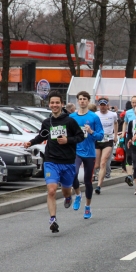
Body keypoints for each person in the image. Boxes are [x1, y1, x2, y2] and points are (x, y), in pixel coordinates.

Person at [24, 90, 85, 233]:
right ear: (49, 104)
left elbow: (80, 136)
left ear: (62, 104)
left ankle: (68, 197)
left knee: (65, 191)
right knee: (51, 190)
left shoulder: (70, 121)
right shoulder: (47, 122)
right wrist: (31, 142)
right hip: (51, 160)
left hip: (68, 162)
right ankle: (53, 219)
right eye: (52, 103)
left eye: (57, 102)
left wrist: (67, 140)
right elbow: (42, 136)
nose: (55, 105)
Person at [70, 91, 104, 218]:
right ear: (77, 101)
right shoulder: (72, 117)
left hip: (89, 152)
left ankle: (88, 207)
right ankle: (78, 194)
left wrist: (91, 132)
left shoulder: (94, 117)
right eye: (80, 99)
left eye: (85, 99)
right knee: (73, 173)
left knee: (88, 181)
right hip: (76, 151)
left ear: (88, 101)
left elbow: (100, 136)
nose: (82, 101)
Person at [94, 97, 118, 194]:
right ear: (99, 105)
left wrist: (115, 135)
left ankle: (99, 185)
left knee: (103, 162)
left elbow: (116, 124)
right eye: (101, 105)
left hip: (108, 140)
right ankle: (95, 176)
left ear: (107, 105)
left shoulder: (113, 114)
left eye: (104, 105)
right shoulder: (95, 115)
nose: (103, 107)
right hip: (98, 140)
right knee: (96, 165)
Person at [121, 96, 136, 180]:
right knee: (128, 154)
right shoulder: (128, 112)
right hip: (129, 135)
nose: (134, 104)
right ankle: (129, 175)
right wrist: (123, 133)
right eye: (133, 102)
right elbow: (125, 123)